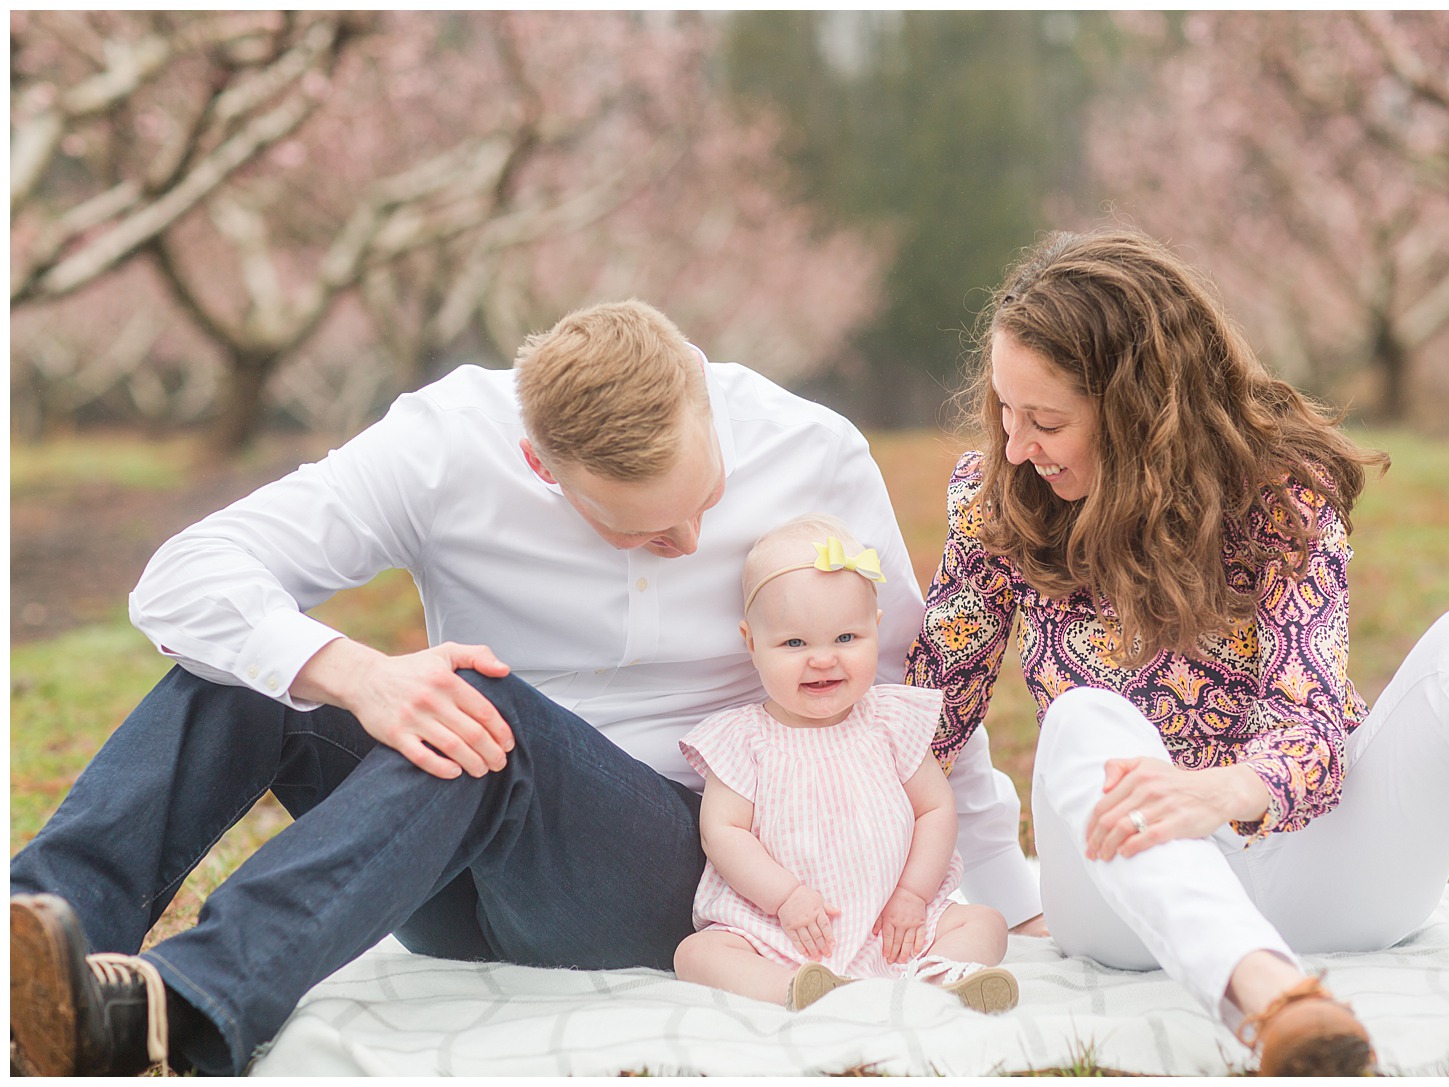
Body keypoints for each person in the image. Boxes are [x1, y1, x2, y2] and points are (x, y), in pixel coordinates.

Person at [9, 300, 1042, 1077]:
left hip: (689, 867)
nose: (687, 544)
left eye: (705, 504)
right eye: (644, 530)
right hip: (444, 868)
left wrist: (1001, 891)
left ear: (705, 398)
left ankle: (178, 1012)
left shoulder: (810, 450)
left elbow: (920, 697)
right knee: (248, 667)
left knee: (484, 707)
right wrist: (359, 674)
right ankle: (34, 942)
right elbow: (183, 578)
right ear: (537, 463)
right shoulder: (445, 443)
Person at [905, 230, 1449, 1076]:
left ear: (1138, 411)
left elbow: (1313, 727)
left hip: (1319, 865)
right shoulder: (1000, 498)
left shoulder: (1281, 493)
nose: (1018, 446)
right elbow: (928, 718)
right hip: (1128, 896)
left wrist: (1213, 792)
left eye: (1047, 421)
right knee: (1085, 719)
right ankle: (1278, 1004)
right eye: (1006, 412)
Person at [671, 514, 1017, 1013]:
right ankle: (794, 990)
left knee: (984, 922)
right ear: (751, 643)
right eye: (794, 643)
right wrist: (785, 898)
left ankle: (936, 978)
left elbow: (934, 811)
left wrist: (914, 896)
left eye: (846, 639)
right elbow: (722, 833)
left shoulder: (891, 722)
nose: (823, 660)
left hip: (894, 924)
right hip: (783, 933)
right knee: (697, 953)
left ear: (875, 631)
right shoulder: (743, 739)